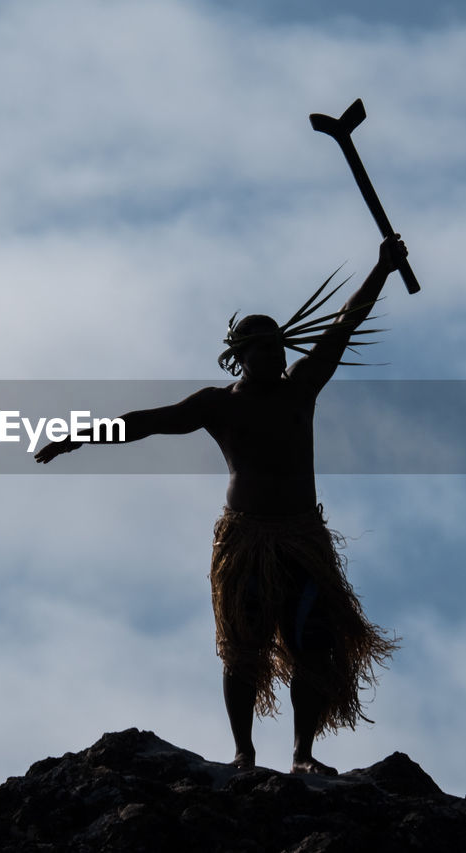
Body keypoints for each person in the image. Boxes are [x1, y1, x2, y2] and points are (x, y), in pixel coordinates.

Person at [35, 234, 408, 774]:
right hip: (247, 541)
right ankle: (245, 754)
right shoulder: (218, 406)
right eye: (260, 349)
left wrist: (382, 269)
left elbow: (343, 324)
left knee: (314, 642)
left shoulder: (301, 387)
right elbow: (147, 423)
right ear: (239, 358)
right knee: (244, 646)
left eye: (277, 346)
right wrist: (80, 435)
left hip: (301, 537)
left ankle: (303, 753)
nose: (273, 355)